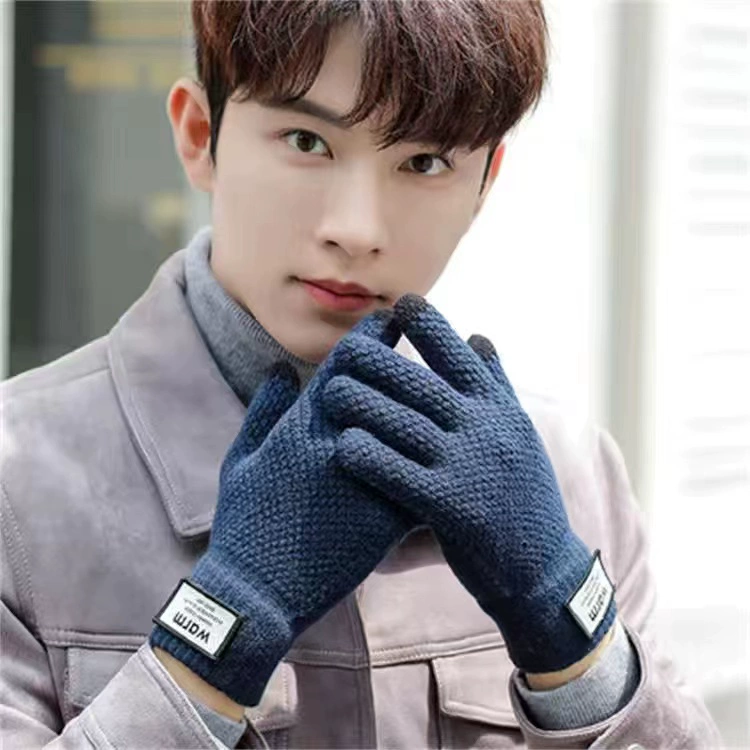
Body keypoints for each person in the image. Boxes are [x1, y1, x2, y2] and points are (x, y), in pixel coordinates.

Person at [0, 1, 722, 748]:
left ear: (486, 182)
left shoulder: (573, 473)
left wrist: (567, 626)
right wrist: (220, 625)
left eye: (424, 162)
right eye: (306, 141)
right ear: (199, 135)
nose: (357, 230)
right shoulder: (19, 481)